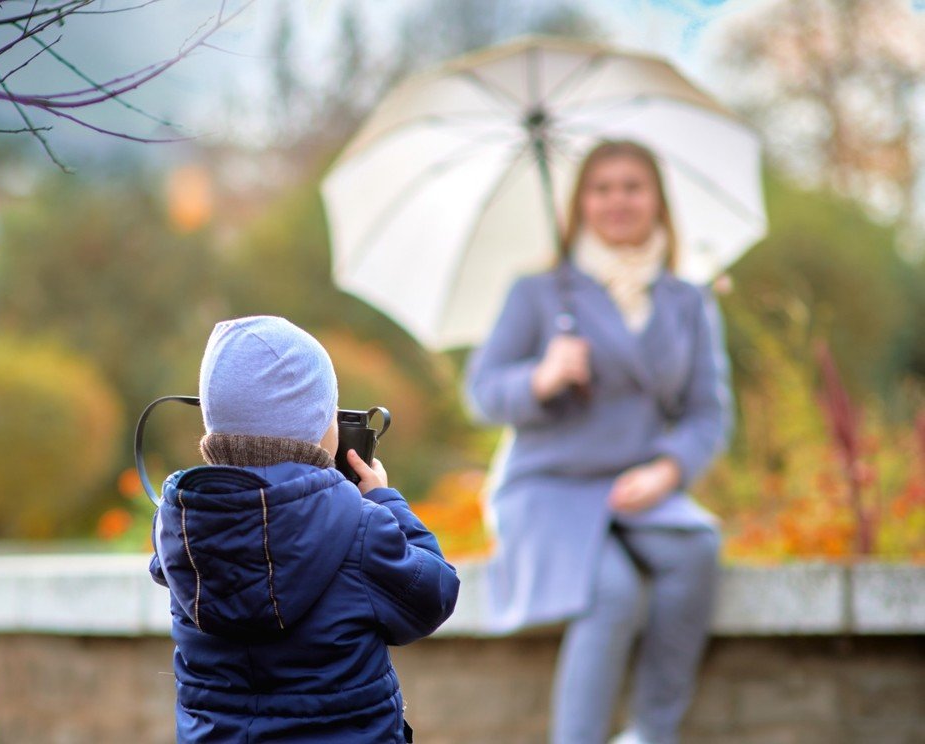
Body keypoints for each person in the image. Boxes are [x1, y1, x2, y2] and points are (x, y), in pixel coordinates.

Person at [465, 140, 731, 744]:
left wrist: (669, 470)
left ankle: (651, 732)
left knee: (696, 552)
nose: (618, 200)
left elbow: (707, 415)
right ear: (580, 202)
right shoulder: (538, 292)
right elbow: (480, 392)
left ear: (657, 201)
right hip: (548, 486)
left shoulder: (689, 302)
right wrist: (541, 377)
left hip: (637, 486)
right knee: (609, 593)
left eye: (632, 186)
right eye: (602, 187)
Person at [149, 315, 459, 743]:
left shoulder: (179, 525)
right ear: (319, 427)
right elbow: (433, 596)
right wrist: (387, 503)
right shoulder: (359, 526)